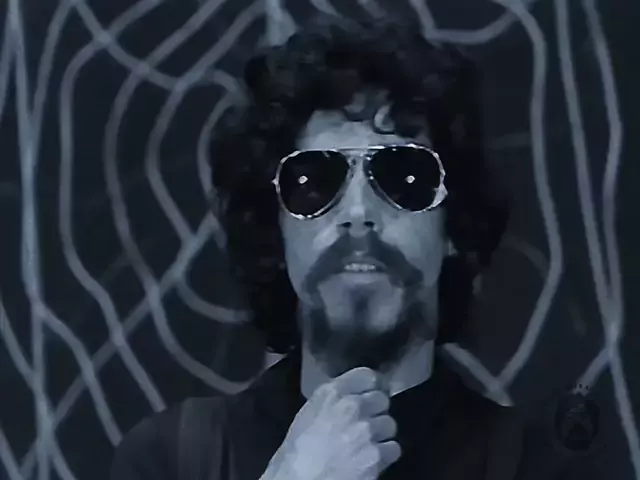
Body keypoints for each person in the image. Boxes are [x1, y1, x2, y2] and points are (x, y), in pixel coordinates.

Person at [110, 14, 604, 480]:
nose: (358, 212)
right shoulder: (171, 460)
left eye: (404, 177)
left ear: (453, 226)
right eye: (314, 182)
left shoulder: (538, 467)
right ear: (274, 230)